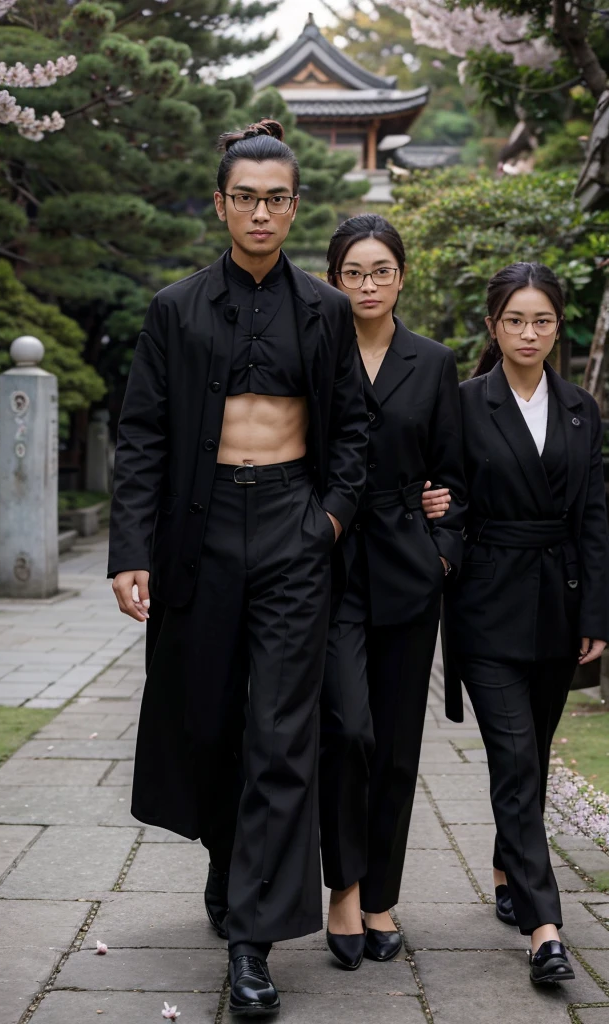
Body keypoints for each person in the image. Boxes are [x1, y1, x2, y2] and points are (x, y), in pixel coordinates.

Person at [107, 119, 369, 1016]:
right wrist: (130, 551)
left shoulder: (327, 312)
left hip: (295, 528)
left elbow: (356, 434)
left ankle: (253, 941)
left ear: (296, 207)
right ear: (221, 204)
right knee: (207, 716)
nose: (262, 212)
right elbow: (141, 433)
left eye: (278, 198)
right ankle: (229, 863)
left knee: (282, 731)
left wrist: (329, 519)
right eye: (246, 197)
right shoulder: (175, 308)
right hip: (202, 530)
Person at [444, 262, 609, 984]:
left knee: (533, 759)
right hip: (486, 604)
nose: (530, 332)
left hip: (559, 603)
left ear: (557, 329)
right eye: (516, 319)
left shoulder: (581, 408)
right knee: (514, 759)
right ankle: (547, 929)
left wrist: (597, 610)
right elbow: (445, 492)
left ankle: (509, 866)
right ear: (493, 326)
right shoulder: (463, 404)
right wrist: (436, 512)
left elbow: (595, 517)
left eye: (542, 320)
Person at [319, 214, 467, 969]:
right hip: (332, 568)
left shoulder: (433, 362)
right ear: (334, 278)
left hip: (410, 574)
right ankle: (341, 886)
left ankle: (380, 898)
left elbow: (455, 473)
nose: (368, 285)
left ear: (401, 277)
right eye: (354, 272)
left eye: (381, 271)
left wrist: (443, 546)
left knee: (400, 748)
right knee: (348, 732)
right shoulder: (317, 350)